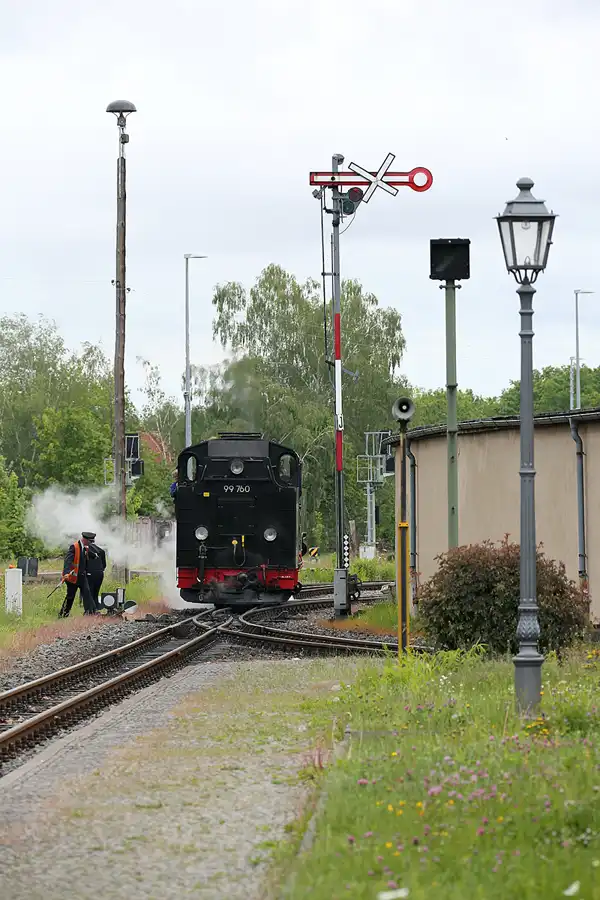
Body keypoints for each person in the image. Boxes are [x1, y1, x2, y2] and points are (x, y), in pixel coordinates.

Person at [58, 532, 97, 617]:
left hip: (82, 577)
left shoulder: (85, 547)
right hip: (73, 578)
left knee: (87, 594)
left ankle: (90, 613)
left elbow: (86, 554)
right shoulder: (74, 547)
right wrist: (66, 573)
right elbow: (68, 560)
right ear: (85, 540)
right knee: (70, 597)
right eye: (90, 541)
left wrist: (94, 555)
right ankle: (63, 614)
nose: (91, 543)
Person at [85, 532, 107, 611]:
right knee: (96, 592)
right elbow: (104, 565)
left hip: (89, 573)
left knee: (89, 592)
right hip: (100, 574)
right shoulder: (101, 551)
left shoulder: (85, 550)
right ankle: (96, 608)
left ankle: (91, 610)